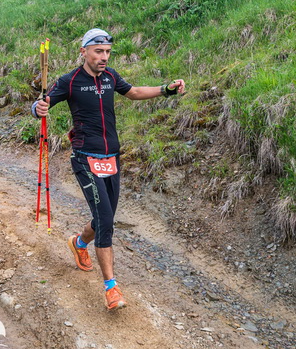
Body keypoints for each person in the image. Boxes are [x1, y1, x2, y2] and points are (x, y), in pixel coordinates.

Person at [31, 28, 185, 310]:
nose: (104, 57)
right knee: (105, 220)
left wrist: (166, 89)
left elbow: (134, 92)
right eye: (98, 51)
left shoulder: (110, 76)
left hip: (112, 158)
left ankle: (79, 243)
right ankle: (111, 288)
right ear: (84, 52)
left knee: (106, 218)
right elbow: (44, 103)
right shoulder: (69, 81)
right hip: (85, 158)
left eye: (108, 52)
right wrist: (37, 108)